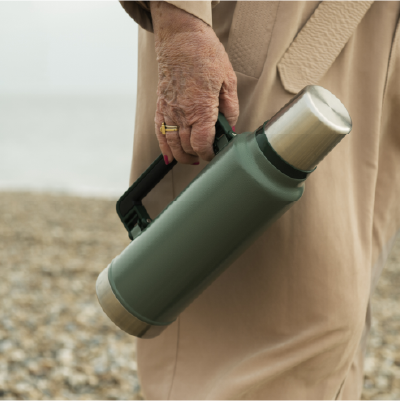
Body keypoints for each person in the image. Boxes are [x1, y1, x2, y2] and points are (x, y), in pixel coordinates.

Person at [116, 0, 400, 399]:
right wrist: (181, 22)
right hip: (280, 28)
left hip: (383, 42)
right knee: (267, 338)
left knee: (336, 336)